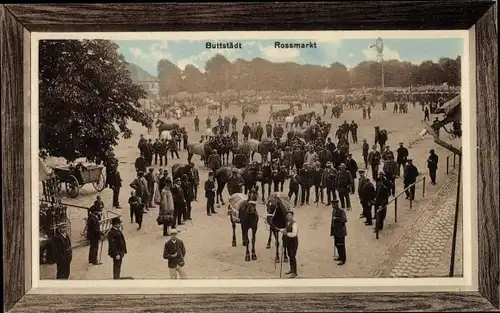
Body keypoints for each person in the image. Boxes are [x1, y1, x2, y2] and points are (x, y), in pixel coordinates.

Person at [281, 210, 298, 278]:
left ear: (292, 216)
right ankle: (291, 269)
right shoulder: (287, 223)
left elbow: (294, 234)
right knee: (289, 255)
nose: (289, 217)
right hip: (288, 241)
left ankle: (295, 272)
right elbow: (286, 229)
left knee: (292, 256)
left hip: (293, 242)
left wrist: (286, 233)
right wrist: (281, 230)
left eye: (290, 216)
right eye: (287, 216)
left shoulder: (294, 224)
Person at [330, 200, 347, 265]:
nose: (333, 206)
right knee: (337, 244)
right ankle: (340, 256)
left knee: (341, 245)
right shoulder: (333, 211)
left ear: (337, 205)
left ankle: (343, 259)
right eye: (332, 205)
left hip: (341, 231)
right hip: (336, 231)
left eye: (334, 205)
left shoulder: (341, 211)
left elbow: (344, 220)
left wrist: (336, 218)